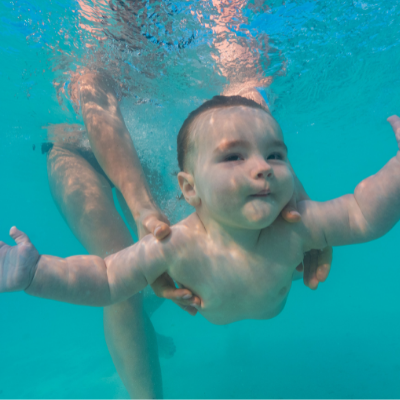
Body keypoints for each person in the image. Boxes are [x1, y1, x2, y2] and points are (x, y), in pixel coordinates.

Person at [36, 71, 331, 398]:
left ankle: (143, 326)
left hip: (134, 153)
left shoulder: (215, 20)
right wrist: (142, 209)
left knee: (165, 265)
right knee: (121, 268)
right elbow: (94, 99)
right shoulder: (96, 25)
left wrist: (290, 190)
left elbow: (245, 98)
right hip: (72, 150)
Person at [6, 93, 396, 327]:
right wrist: (37, 274)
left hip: (247, 299)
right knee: (142, 285)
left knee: (153, 286)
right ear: (189, 188)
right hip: (197, 278)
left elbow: (363, 213)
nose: (262, 167)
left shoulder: (297, 224)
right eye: (234, 157)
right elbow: (107, 278)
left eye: (275, 154)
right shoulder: (174, 243)